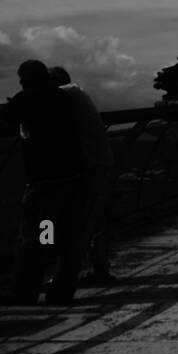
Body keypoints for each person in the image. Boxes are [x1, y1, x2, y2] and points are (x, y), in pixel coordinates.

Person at [0, 60, 86, 305]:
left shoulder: (27, 98)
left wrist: (3, 111)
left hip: (44, 180)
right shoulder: (63, 98)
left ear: (25, 79)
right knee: (67, 236)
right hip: (72, 176)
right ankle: (62, 290)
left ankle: (24, 291)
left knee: (33, 237)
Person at [49, 66, 117, 284]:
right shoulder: (77, 95)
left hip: (90, 167)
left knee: (78, 221)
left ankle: (63, 276)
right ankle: (99, 269)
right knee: (94, 219)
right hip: (99, 163)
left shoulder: (65, 96)